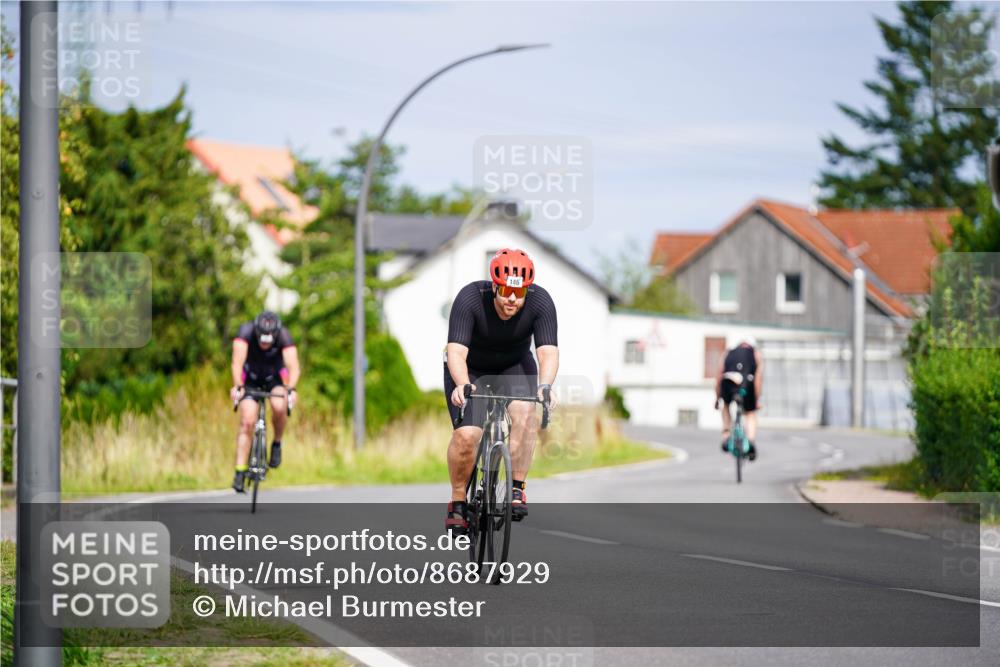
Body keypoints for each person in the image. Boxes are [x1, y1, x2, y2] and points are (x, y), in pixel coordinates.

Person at [443, 248, 559, 535]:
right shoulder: (470, 298)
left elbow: (548, 352)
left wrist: (545, 386)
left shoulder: (541, 302)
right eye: (506, 291)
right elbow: (455, 352)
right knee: (467, 435)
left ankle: (517, 487)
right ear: (495, 286)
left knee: (525, 414)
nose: (512, 299)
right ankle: (458, 501)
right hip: (470, 370)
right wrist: (462, 383)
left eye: (519, 293)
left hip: (514, 366)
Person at [229, 311, 300, 492]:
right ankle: (239, 471)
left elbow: (294, 367)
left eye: (269, 341)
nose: (265, 344)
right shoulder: (245, 331)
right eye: (262, 340)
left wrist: (291, 389)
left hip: (273, 378)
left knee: (279, 405)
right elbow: (237, 363)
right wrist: (238, 386)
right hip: (250, 378)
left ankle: (277, 443)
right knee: (247, 420)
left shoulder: (284, 335)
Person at [715, 336, 762, 460]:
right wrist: (757, 400)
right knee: (750, 413)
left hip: (728, 382)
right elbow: (758, 379)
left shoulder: (728, 352)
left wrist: (717, 397)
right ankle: (751, 441)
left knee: (725, 406)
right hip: (747, 384)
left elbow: (719, 375)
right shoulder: (756, 354)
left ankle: (726, 435)